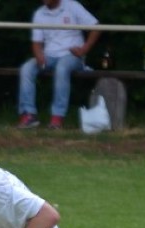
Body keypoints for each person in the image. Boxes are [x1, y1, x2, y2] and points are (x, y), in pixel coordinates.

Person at [17, 0, 101, 130]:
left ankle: (57, 118)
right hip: (49, 55)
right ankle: (29, 115)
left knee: (61, 68)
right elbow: (36, 43)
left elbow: (96, 26)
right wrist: (38, 54)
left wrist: (84, 49)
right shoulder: (39, 13)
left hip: (72, 55)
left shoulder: (72, 6)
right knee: (26, 68)